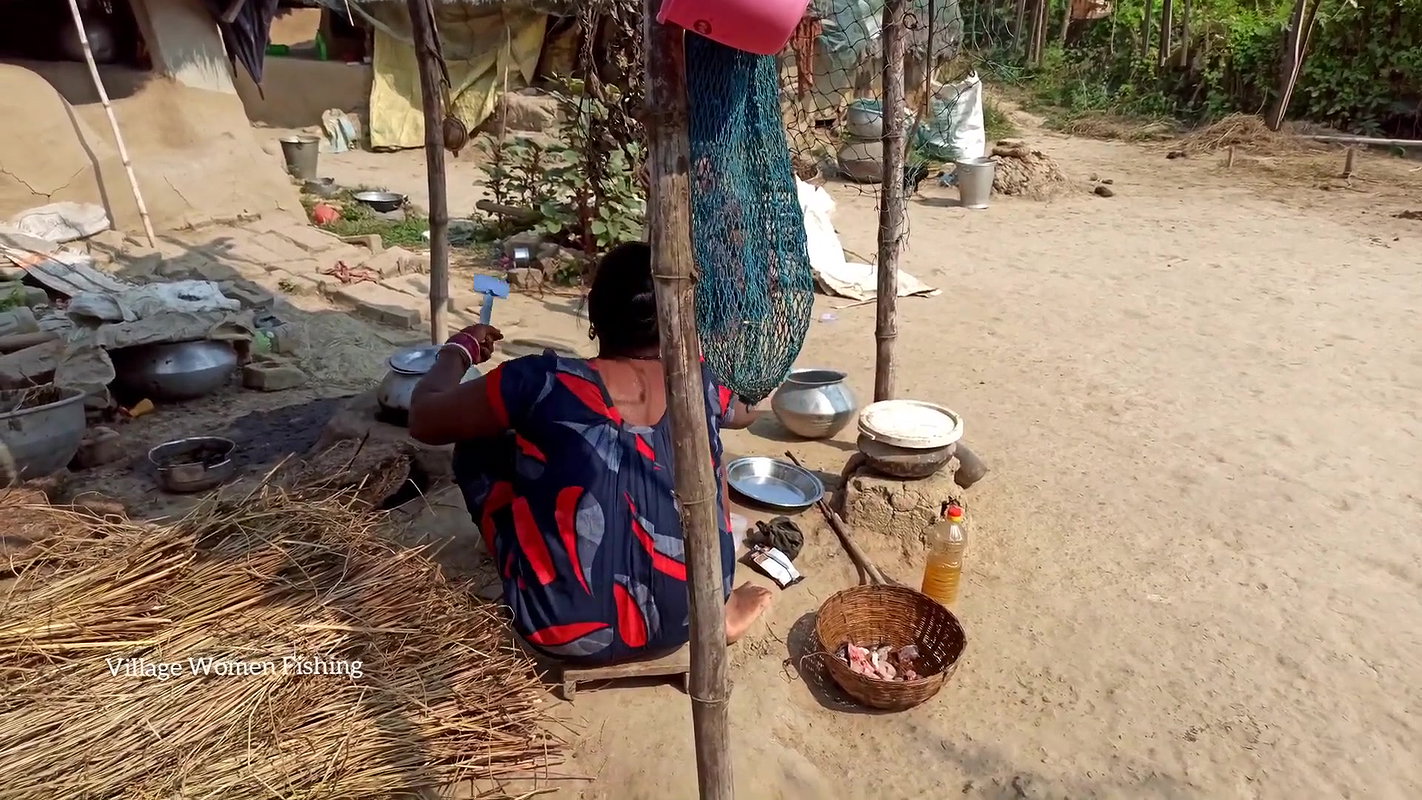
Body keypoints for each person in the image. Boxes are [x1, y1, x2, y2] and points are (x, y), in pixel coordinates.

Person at [409, 242, 773, 665]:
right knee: (711, 457)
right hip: (690, 619)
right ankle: (721, 605)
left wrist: (459, 350)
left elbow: (424, 418)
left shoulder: (540, 381)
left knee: (480, 440)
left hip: (561, 627)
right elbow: (746, 414)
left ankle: (542, 569)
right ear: (678, 319)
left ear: (594, 317)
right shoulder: (702, 380)